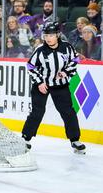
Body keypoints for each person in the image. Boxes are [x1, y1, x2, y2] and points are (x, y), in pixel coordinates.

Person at [21, 22, 85, 154]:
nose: (48, 38)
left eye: (51, 35)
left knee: (68, 112)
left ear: (58, 35)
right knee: (37, 112)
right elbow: (30, 66)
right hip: (42, 85)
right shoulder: (40, 50)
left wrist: (65, 73)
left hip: (60, 85)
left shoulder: (67, 47)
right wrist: (39, 82)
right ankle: (25, 139)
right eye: (46, 35)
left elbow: (75, 60)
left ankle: (75, 140)